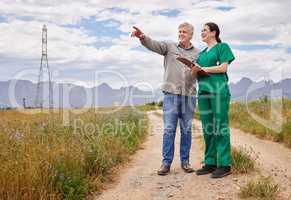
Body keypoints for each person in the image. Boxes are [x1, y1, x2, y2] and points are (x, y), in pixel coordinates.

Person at [131, 22, 199, 175]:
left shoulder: (198, 53)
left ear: (191, 35)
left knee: (186, 130)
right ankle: (166, 163)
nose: (181, 34)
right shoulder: (169, 46)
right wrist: (142, 37)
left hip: (189, 96)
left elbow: (200, 73)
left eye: (184, 32)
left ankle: (185, 162)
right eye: (179, 31)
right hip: (170, 96)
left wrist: (196, 71)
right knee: (169, 130)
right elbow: (153, 45)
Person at [192, 22, 235, 178]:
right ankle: (210, 162)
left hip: (218, 92)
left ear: (213, 32)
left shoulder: (223, 47)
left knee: (220, 127)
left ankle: (224, 164)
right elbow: (198, 73)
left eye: (204, 30)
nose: (202, 32)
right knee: (208, 128)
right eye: (201, 30)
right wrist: (195, 69)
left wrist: (204, 69)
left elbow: (223, 68)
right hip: (203, 93)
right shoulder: (202, 54)